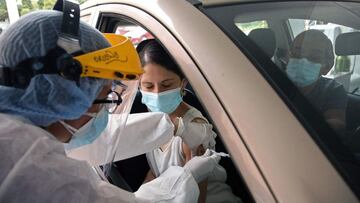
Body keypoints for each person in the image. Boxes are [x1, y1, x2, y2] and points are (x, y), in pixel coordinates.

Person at [0, 4, 221, 203]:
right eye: (104, 97)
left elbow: (101, 140)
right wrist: (187, 178)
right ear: (62, 94)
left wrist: (172, 126)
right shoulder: (31, 172)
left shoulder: (17, 133)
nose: (105, 113)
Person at [137, 39, 241, 203]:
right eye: (148, 86)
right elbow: (156, 171)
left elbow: (198, 194)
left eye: (166, 84)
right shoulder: (152, 118)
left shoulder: (194, 130)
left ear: (182, 83)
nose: (157, 94)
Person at [286, 29, 348, 135]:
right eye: (297, 53)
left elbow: (337, 122)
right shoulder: (270, 80)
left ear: (327, 67)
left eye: (314, 57)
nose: (303, 60)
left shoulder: (333, 89)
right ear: (288, 56)